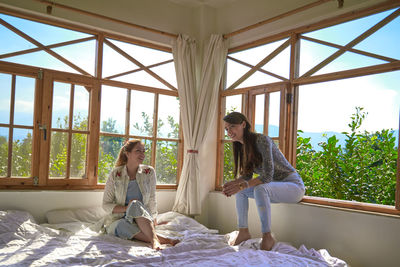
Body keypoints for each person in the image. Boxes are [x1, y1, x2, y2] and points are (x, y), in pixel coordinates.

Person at [222, 112, 305, 251]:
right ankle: (243, 231)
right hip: (274, 187)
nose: (229, 131)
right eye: (226, 129)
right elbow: (247, 177)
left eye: (232, 127)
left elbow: (267, 176)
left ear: (243, 124)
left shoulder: (261, 140)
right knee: (241, 192)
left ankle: (267, 236)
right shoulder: (242, 146)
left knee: (260, 188)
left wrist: (241, 185)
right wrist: (234, 184)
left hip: (293, 186)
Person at [102, 139, 177, 250]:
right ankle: (162, 240)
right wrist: (127, 208)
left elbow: (152, 198)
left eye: (144, 151)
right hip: (118, 219)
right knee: (121, 226)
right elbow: (106, 205)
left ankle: (154, 240)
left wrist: (153, 219)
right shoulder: (115, 174)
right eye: (138, 151)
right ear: (127, 153)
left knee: (136, 204)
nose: (142, 154)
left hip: (141, 218)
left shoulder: (149, 172)